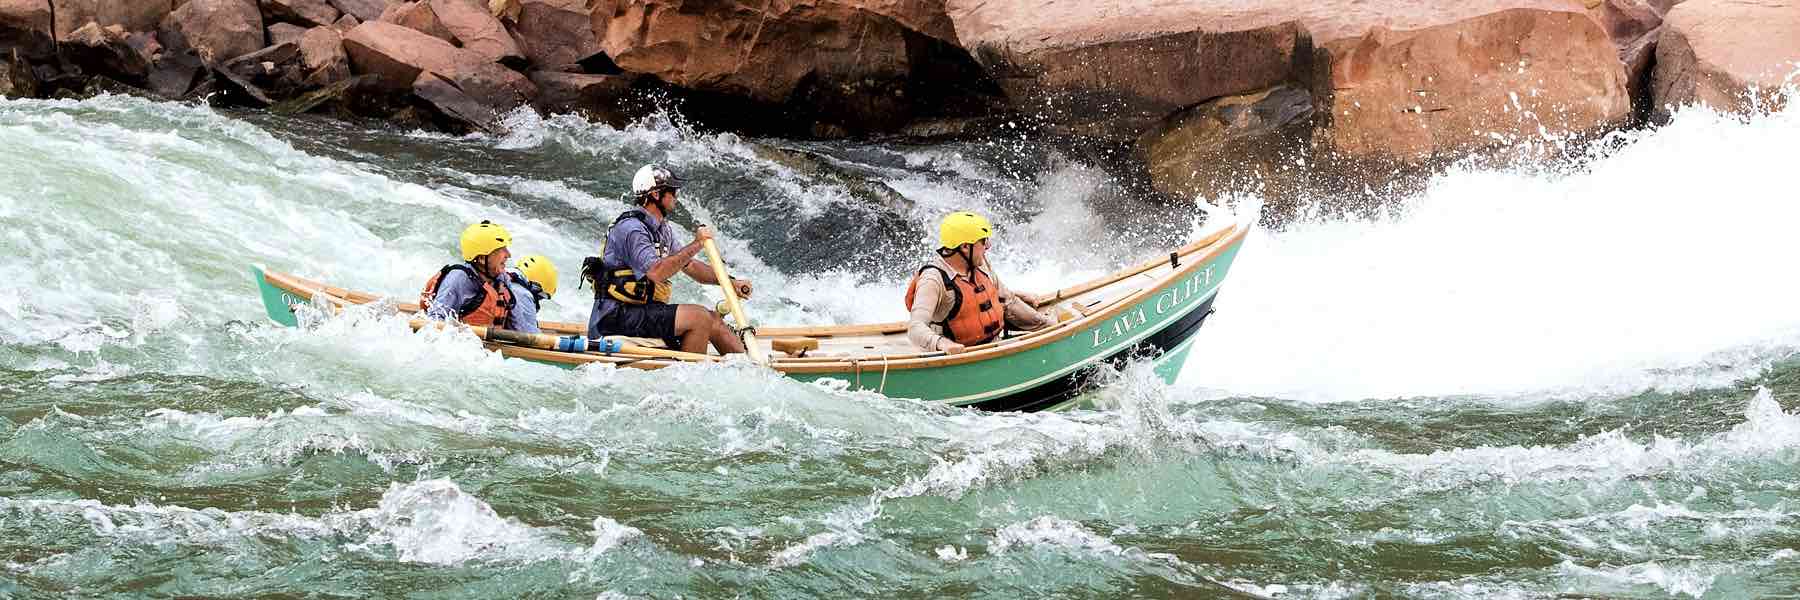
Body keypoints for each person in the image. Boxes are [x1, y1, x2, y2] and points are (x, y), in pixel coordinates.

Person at [583, 165, 755, 354]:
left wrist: (730, 282)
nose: (676, 196)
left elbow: (690, 266)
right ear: (656, 195)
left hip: (642, 310)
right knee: (699, 318)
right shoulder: (632, 229)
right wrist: (698, 243)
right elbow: (656, 272)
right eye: (672, 191)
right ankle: (692, 374)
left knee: (713, 319)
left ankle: (750, 367)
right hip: (615, 317)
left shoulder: (662, 229)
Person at [905, 211, 1053, 354]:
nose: (988, 246)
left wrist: (1046, 325)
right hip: (962, 355)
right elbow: (915, 328)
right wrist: (941, 343)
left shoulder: (979, 264)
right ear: (964, 247)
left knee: (1049, 323)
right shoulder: (933, 280)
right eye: (983, 241)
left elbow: (1007, 300)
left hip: (995, 342)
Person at [421, 220, 517, 328]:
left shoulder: (501, 278)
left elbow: (515, 322)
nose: (508, 255)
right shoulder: (457, 279)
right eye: (501, 250)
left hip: (489, 340)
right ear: (481, 258)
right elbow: (435, 321)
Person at [504, 254, 558, 334]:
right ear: (536, 287)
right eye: (540, 297)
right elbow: (530, 335)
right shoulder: (523, 294)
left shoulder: (504, 276)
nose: (538, 300)